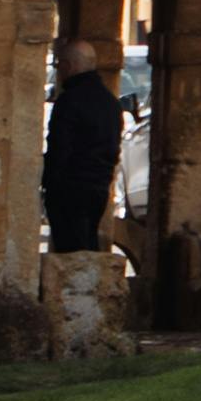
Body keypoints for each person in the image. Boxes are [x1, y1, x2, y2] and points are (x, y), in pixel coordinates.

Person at [40, 32, 122, 256]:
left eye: (59, 65)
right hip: (98, 188)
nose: (58, 70)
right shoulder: (110, 102)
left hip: (69, 191)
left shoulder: (70, 101)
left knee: (70, 253)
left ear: (69, 65)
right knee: (87, 246)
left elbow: (60, 150)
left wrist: (49, 183)